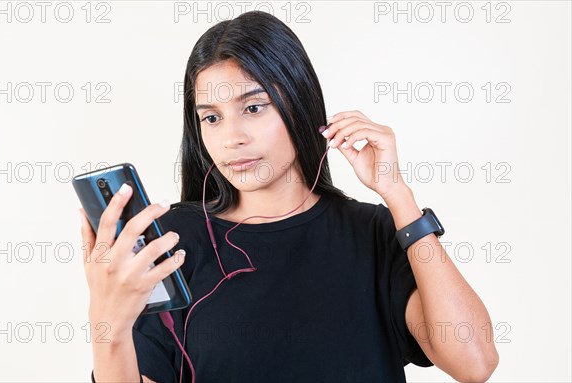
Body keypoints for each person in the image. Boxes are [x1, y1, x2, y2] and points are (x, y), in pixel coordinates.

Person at [80, 11, 499, 383]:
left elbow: (474, 362)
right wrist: (107, 322)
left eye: (254, 107)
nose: (231, 138)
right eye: (211, 117)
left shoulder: (375, 233)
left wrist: (398, 195)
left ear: (299, 103)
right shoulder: (173, 242)